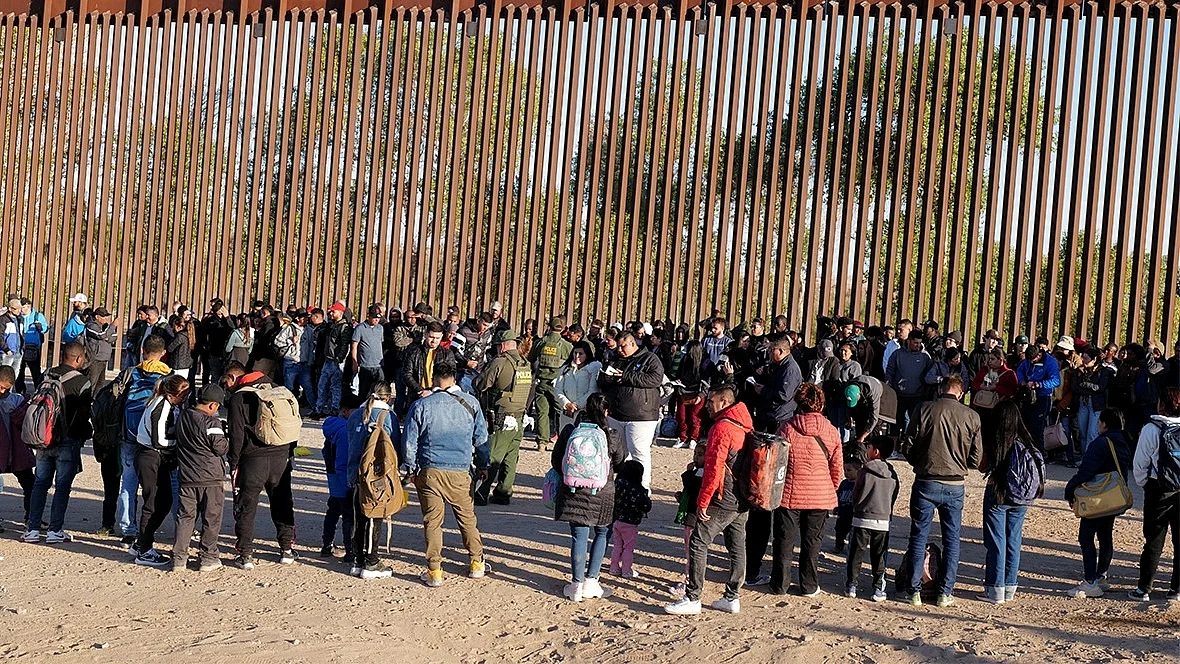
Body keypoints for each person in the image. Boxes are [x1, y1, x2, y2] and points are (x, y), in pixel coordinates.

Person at [402, 362, 489, 587]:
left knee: (432, 521)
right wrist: (483, 464)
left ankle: (434, 570)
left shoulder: (422, 405)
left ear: (433, 378)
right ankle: (476, 562)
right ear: (455, 377)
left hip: (430, 470)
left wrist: (411, 468)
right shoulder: (471, 403)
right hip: (460, 470)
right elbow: (481, 439)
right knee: (467, 519)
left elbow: (410, 441)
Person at [665, 386, 749, 615]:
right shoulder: (744, 423)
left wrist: (703, 501)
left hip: (724, 495)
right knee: (737, 546)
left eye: (711, 402)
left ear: (723, 402)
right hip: (743, 495)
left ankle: (693, 597)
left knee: (699, 542)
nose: (707, 406)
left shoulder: (721, 428)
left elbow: (713, 468)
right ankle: (732, 597)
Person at [900, 375, 981, 607]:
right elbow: (976, 458)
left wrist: (918, 462)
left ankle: (914, 590)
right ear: (961, 392)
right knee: (952, 539)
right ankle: (945, 592)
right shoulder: (972, 416)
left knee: (918, 536)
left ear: (940, 389)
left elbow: (908, 443)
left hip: (926, 479)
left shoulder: (924, 409)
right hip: (955, 483)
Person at [768, 383, 842, 597]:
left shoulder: (786, 428)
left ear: (798, 403)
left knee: (784, 541)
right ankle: (809, 585)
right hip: (820, 494)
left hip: (790, 495)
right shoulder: (831, 431)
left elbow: (776, 464)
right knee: (812, 543)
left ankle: (780, 584)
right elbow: (836, 467)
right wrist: (830, 489)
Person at [552, 393, 626, 602]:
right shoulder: (611, 434)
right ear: (606, 411)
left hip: (573, 491)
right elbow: (620, 464)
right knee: (602, 533)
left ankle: (576, 585)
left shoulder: (570, 431)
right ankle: (592, 582)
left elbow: (557, 461)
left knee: (579, 536)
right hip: (603, 492)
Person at [224, 365, 297, 570]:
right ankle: (286, 549)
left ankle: (245, 554)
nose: (226, 386)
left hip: (251, 461)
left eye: (226, 381)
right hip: (280, 458)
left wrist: (233, 462)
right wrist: (289, 454)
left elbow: (236, 436)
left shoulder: (239, 398)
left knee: (246, 508)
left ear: (233, 377)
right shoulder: (280, 391)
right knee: (283, 503)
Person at [19, 345, 92, 544]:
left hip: (44, 437)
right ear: (78, 359)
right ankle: (55, 530)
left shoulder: (47, 375)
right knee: (62, 486)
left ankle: (32, 529)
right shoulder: (82, 381)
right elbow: (84, 415)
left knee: (40, 483)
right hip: (68, 440)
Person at [1063, 408, 1133, 598]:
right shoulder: (1124, 441)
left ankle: (1090, 581)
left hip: (1096, 499)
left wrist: (1070, 490)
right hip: (1113, 498)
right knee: (1105, 536)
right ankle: (1101, 575)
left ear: (1104, 424)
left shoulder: (1100, 444)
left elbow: (1085, 472)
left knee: (1086, 537)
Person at [977, 401, 1041, 604]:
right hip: (1022, 497)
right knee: (1013, 539)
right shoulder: (1026, 439)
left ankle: (995, 588)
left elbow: (982, 466)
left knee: (997, 541)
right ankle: (1010, 586)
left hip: (998, 493)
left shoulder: (997, 437)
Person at [115, 335, 173, 545]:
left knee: (128, 484)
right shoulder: (169, 377)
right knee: (167, 484)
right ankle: (178, 526)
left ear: (142, 350)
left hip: (129, 435)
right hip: (156, 440)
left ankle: (127, 529)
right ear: (164, 353)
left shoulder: (131, 372)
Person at [128, 374, 189, 566]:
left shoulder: (166, 404)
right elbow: (159, 441)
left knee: (163, 501)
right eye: (183, 396)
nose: (185, 399)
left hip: (154, 457)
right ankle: (144, 551)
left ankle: (141, 542)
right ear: (174, 394)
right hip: (150, 456)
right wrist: (180, 443)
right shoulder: (161, 407)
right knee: (152, 503)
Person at [1128, 387, 1180, 602]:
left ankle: (1144, 589)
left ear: (1161, 404)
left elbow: (1140, 464)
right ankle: (1176, 590)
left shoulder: (1151, 428)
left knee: (1153, 541)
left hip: (1157, 488)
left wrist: (1145, 484)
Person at [346, 383, 402, 578]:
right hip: (378, 475)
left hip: (355, 472)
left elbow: (350, 444)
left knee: (358, 517)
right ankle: (371, 562)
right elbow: (395, 447)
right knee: (374, 515)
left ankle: (357, 560)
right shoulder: (389, 417)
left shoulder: (355, 415)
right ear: (387, 398)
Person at [172, 384, 229, 572]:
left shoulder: (184, 416)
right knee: (211, 519)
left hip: (187, 476)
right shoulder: (212, 422)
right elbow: (221, 448)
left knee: (185, 518)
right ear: (213, 405)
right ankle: (208, 556)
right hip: (210, 478)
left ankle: (179, 559)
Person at [597, 331, 665, 490]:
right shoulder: (614, 358)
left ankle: (643, 487)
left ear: (633, 343)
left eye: (623, 346)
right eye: (618, 346)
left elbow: (655, 379)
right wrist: (606, 379)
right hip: (616, 414)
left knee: (639, 452)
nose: (619, 349)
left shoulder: (649, 358)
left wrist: (627, 376)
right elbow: (601, 381)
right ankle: (621, 485)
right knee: (618, 453)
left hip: (641, 416)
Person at [474, 329, 531, 505]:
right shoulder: (525, 363)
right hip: (519, 417)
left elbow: (481, 384)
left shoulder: (499, 362)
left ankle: (481, 493)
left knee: (493, 456)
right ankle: (503, 492)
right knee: (511, 458)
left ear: (503, 345)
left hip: (501, 417)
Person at [844, 435, 899, 602]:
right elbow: (894, 494)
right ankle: (877, 588)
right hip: (883, 520)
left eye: (868, 448)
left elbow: (856, 493)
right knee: (879, 555)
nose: (866, 451)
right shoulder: (892, 473)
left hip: (862, 517)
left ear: (875, 451)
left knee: (856, 553)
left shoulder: (864, 471)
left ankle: (851, 585)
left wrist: (857, 506)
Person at [530, 316, 573, 450]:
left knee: (542, 412)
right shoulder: (565, 345)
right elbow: (572, 361)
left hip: (541, 382)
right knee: (560, 412)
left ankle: (542, 443)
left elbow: (531, 358)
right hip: (557, 384)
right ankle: (562, 440)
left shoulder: (540, 342)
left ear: (549, 326)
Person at [320, 401, 355, 559]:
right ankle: (350, 550)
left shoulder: (332, 428)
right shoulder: (344, 430)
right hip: (343, 478)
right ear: (346, 411)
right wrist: (348, 482)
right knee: (348, 516)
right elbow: (343, 459)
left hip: (333, 478)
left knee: (333, 511)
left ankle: (327, 545)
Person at [0, 366, 33, 530]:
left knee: (30, 485)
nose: (2, 391)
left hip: (17, 452)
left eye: (5, 388)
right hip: (3, 452)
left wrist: (16, 413)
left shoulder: (18, 401)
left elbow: (26, 425)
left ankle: (31, 518)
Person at [610, 460, 652, 578]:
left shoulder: (617, 485)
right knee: (628, 547)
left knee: (617, 545)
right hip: (630, 523)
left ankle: (614, 567)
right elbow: (646, 506)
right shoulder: (636, 489)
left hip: (617, 520)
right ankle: (626, 570)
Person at [1016, 345, 1062, 451]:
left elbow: (1056, 381)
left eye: (1033, 360)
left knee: (1037, 427)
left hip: (1042, 396)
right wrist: (1022, 381)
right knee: (1024, 423)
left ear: (1039, 355)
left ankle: (1039, 452)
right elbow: (1020, 370)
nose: (1031, 362)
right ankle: (1025, 449)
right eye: (1029, 360)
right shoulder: (1027, 361)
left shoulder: (1050, 362)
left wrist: (1039, 384)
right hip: (1028, 395)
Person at [886, 330, 934, 428]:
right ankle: (896, 441)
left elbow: (930, 373)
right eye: (915, 343)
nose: (918, 345)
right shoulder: (897, 354)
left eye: (920, 343)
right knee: (897, 421)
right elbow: (890, 370)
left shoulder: (925, 356)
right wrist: (889, 383)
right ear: (908, 341)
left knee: (914, 422)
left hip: (917, 395)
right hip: (899, 394)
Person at [553, 341, 602, 435]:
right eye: (575, 353)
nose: (577, 356)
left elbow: (592, 390)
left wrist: (576, 405)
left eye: (581, 354)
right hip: (567, 411)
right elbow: (558, 388)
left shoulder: (593, 368)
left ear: (587, 355)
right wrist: (566, 403)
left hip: (585, 411)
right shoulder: (565, 368)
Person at [1073, 347, 1115, 454]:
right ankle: (1084, 456)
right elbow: (1075, 387)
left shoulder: (1103, 371)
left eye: (1086, 359)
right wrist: (1090, 389)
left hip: (1096, 404)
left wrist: (1086, 385)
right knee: (1082, 432)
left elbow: (1101, 387)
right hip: (1083, 402)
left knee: (1092, 433)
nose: (1083, 361)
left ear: (1094, 359)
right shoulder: (1080, 371)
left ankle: (1089, 458)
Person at [315, 302, 352, 418]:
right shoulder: (331, 325)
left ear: (340, 313)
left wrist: (339, 359)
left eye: (333, 311)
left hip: (336, 362)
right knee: (322, 385)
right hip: (328, 360)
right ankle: (318, 409)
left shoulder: (344, 327)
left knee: (335, 387)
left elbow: (345, 346)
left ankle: (334, 409)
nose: (331, 313)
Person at [673, 340, 707, 450]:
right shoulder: (684, 360)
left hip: (697, 393)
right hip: (683, 392)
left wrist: (701, 395)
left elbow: (707, 381)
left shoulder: (705, 363)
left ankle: (694, 438)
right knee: (682, 417)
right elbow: (679, 374)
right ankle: (683, 438)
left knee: (695, 417)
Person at [351, 305, 386, 400]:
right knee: (364, 391)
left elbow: (380, 344)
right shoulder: (360, 328)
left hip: (378, 365)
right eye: (374, 318)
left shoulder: (380, 328)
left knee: (379, 390)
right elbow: (354, 346)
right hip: (365, 365)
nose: (376, 320)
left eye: (378, 318)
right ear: (368, 316)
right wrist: (354, 362)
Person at [83, 308, 117, 390]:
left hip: (104, 358)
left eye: (106, 317)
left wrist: (106, 337)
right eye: (104, 317)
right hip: (95, 358)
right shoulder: (91, 325)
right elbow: (100, 335)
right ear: (97, 317)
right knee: (92, 383)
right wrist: (112, 326)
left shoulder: (106, 326)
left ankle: (95, 401)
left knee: (100, 384)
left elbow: (114, 336)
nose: (106, 319)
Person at [18, 298, 47, 391]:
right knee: (19, 372)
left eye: (23, 307)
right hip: (20, 348)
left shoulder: (38, 316)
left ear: (28, 306)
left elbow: (46, 328)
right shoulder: (19, 317)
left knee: (35, 372)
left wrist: (40, 327)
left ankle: (38, 391)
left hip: (33, 349)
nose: (21, 309)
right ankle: (20, 391)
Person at [0, 298, 25, 374]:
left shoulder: (20, 319)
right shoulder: (3, 320)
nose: (19, 311)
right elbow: (0, 337)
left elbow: (21, 335)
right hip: (7, 353)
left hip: (18, 352)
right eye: (16, 309)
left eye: (20, 309)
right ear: (10, 309)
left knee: (14, 377)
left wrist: (22, 349)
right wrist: (7, 350)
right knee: (4, 376)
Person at [165, 314, 194, 380]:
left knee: (175, 384)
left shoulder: (180, 336)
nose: (173, 328)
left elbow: (170, 348)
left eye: (174, 326)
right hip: (186, 365)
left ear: (179, 327)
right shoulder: (190, 335)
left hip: (177, 365)